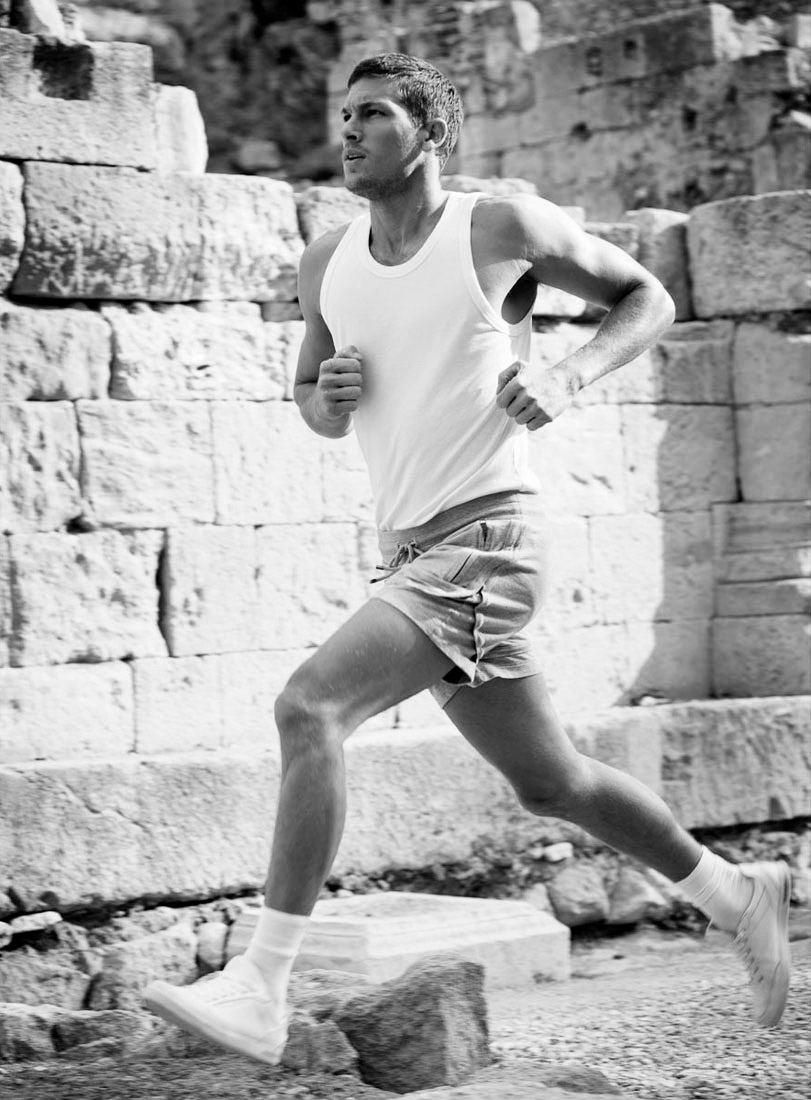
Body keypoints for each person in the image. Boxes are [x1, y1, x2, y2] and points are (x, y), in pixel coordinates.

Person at [145, 53, 792, 1061]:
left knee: (310, 707)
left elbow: (646, 297)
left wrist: (570, 375)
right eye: (343, 113)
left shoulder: (495, 229)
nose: (347, 130)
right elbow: (311, 395)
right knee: (552, 782)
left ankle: (262, 984)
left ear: (431, 133)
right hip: (411, 551)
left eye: (372, 113)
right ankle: (734, 893)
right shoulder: (327, 260)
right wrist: (327, 398)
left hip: (488, 541)